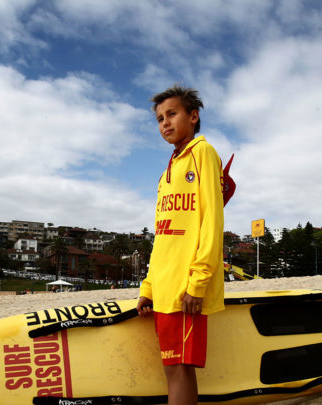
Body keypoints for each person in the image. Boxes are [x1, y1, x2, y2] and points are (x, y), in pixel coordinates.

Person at [136, 85, 225, 404]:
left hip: (186, 287)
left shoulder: (203, 152)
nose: (165, 123)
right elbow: (162, 237)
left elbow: (212, 221)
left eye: (171, 114)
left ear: (194, 116)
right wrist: (149, 287)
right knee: (173, 368)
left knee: (179, 370)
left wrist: (198, 282)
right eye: (160, 118)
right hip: (165, 288)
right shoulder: (165, 175)